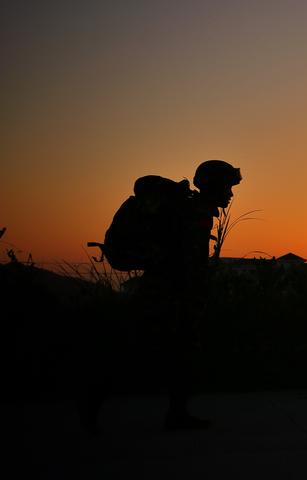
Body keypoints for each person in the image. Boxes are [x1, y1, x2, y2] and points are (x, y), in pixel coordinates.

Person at [82, 159, 242, 432]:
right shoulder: (190, 214)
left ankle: (175, 413)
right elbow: (185, 262)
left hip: (171, 296)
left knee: (177, 356)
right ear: (213, 185)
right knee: (140, 353)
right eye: (227, 186)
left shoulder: (193, 210)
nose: (230, 193)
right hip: (165, 297)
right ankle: (91, 401)